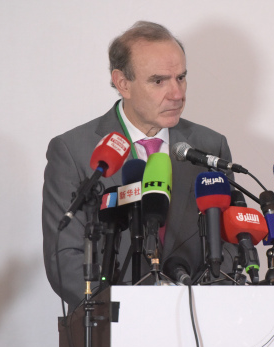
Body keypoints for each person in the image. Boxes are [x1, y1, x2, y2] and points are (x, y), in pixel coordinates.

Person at [42, 21, 234, 312]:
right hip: (115, 324)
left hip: (198, 319)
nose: (177, 93)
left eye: (181, 77)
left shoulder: (210, 146)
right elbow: (65, 257)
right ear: (123, 83)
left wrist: (199, 304)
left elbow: (230, 241)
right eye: (159, 81)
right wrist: (130, 314)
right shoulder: (73, 151)